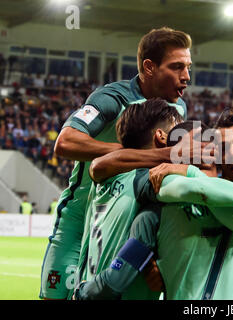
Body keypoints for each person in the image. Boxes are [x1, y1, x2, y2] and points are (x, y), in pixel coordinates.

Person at [73, 114, 233, 300]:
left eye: (206, 148)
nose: (200, 156)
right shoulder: (161, 202)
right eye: (188, 153)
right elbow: (118, 276)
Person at [40, 26, 193, 300]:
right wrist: (127, 153)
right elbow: (65, 143)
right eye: (177, 67)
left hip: (132, 224)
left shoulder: (178, 110)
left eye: (188, 67)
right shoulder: (113, 98)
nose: (186, 77)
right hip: (82, 218)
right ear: (149, 67)